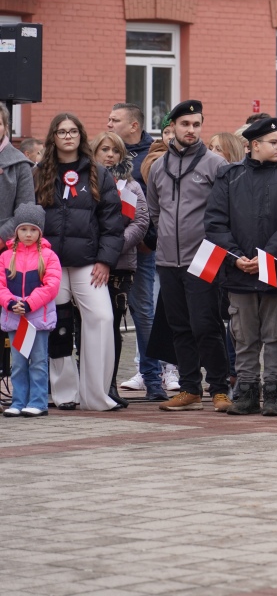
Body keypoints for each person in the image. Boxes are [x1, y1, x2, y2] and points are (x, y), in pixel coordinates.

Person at [205, 117, 277, 417]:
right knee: (243, 336)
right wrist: (235, 256)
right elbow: (215, 221)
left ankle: (273, 391)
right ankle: (246, 392)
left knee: (276, 335)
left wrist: (265, 256)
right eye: (274, 143)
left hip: (275, 270)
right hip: (238, 270)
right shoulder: (230, 176)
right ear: (254, 145)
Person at [146, 100, 232, 412]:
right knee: (179, 326)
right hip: (168, 259)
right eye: (185, 124)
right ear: (173, 127)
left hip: (205, 257)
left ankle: (220, 389)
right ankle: (190, 387)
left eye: (196, 124)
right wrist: (167, 237)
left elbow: (225, 212)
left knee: (205, 325)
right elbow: (154, 211)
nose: (191, 130)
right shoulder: (157, 167)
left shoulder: (216, 164)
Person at [36, 113, 124, 412]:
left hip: (89, 263)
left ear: (81, 135)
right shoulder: (40, 173)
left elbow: (112, 225)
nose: (68, 136)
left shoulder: (99, 173)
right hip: (50, 265)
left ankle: (96, 394)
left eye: (73, 131)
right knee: (58, 325)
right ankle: (65, 394)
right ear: (53, 138)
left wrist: (105, 260)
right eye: (61, 132)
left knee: (101, 318)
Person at [107, 103, 165, 399]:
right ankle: (103, 381)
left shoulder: (153, 156)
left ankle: (152, 377)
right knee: (108, 316)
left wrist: (143, 237)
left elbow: (153, 209)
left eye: (115, 120)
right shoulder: (102, 153)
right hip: (104, 252)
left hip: (141, 248)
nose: (109, 124)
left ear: (133, 126)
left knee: (144, 312)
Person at [91, 132, 151, 405]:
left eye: (115, 150)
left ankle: (110, 385)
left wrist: (112, 249)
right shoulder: (84, 183)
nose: (110, 155)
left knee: (113, 325)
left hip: (121, 265)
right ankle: (88, 384)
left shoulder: (132, 186)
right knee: (86, 327)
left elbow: (140, 223)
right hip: (88, 264)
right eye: (104, 149)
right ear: (94, 153)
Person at [0, 204, 62, 417]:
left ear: (40, 231)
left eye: (33, 230)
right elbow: (1, 285)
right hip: (14, 318)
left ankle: (38, 401)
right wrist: (10, 303)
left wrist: (29, 304)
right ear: (16, 230)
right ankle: (18, 401)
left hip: (37, 319)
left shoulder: (49, 256)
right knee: (17, 363)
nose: (28, 234)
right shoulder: (6, 257)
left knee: (38, 361)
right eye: (24, 229)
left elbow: (51, 285)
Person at [0, 103, 36, 238]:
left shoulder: (20, 164)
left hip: (5, 248)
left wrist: (2, 238)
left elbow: (25, 210)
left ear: (6, 128)